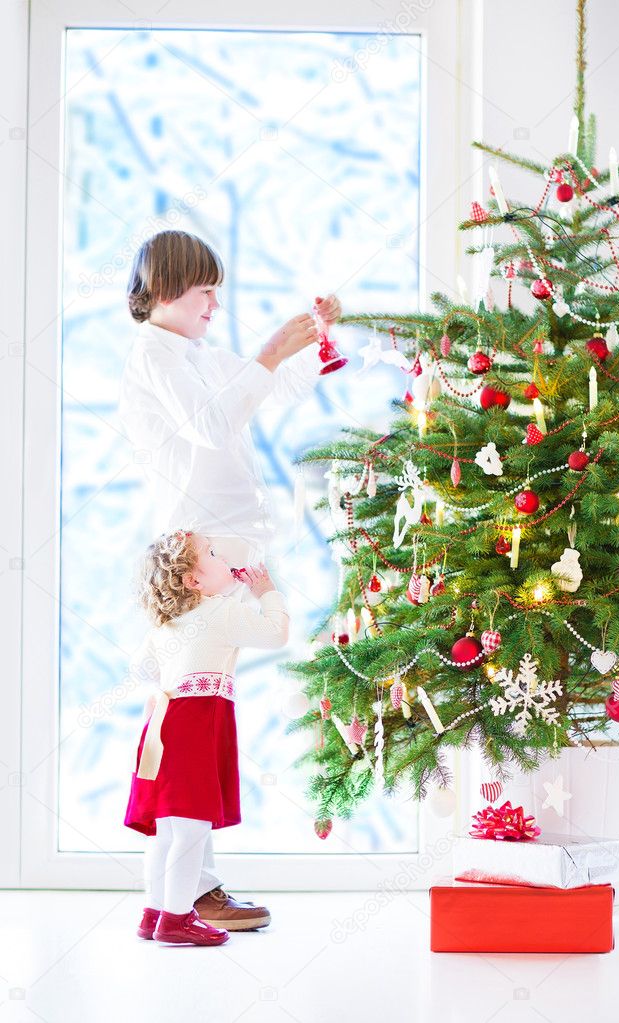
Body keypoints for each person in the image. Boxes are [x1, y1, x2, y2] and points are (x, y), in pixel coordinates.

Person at [118, 229, 341, 923]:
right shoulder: (155, 355)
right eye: (203, 287)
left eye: (217, 286)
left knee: (201, 705)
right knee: (193, 707)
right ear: (162, 290)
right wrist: (274, 350)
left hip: (220, 546)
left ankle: (191, 886)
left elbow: (256, 397)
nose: (217, 300)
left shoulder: (193, 355)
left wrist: (309, 345)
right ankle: (187, 890)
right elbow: (216, 424)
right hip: (200, 552)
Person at [124, 530, 289, 946]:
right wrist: (266, 591)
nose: (223, 556)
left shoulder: (166, 623)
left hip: (161, 726)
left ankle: (155, 912)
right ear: (193, 581)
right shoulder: (218, 612)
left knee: (165, 829)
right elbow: (275, 634)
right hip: (195, 726)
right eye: (212, 554)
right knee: (192, 830)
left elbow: (140, 669)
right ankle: (178, 920)